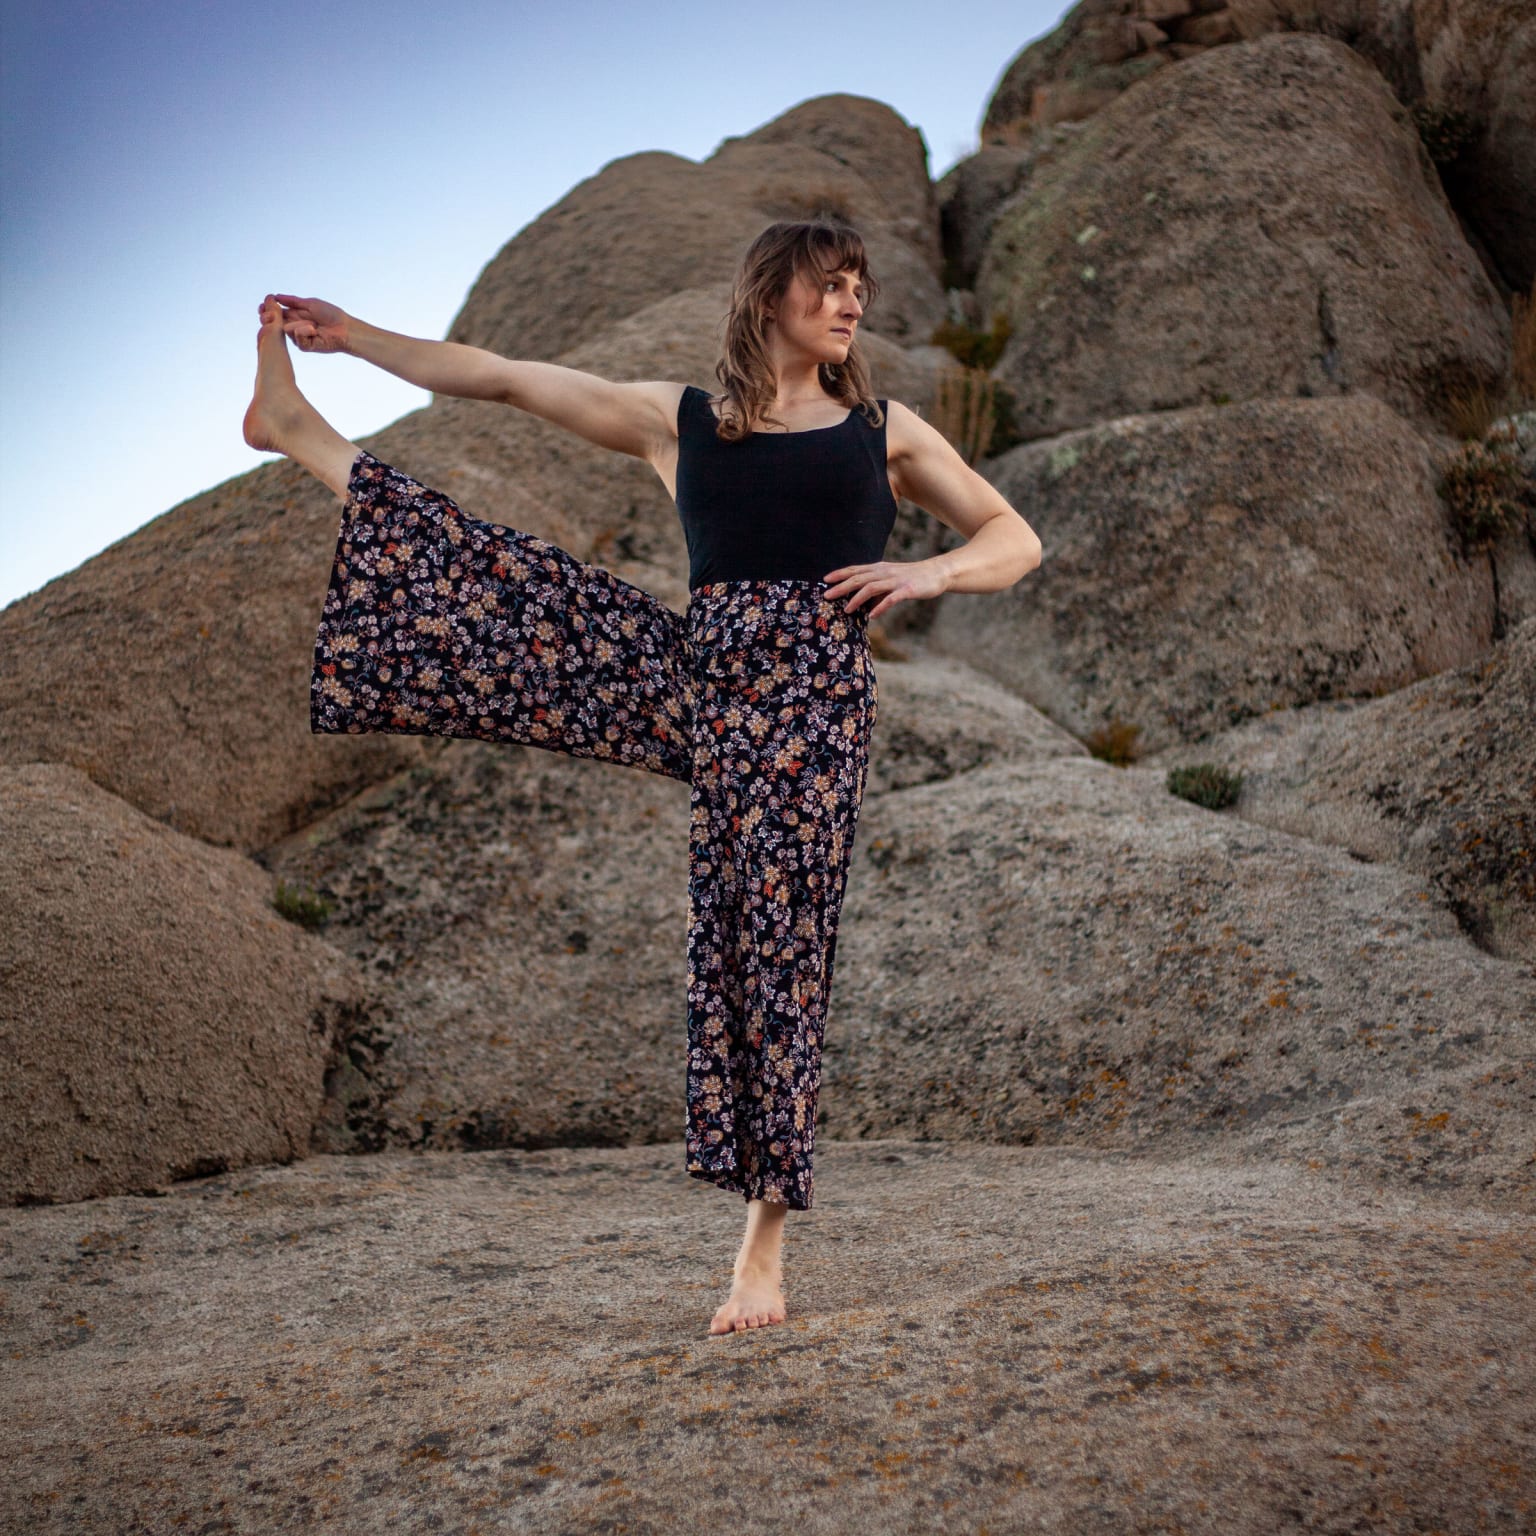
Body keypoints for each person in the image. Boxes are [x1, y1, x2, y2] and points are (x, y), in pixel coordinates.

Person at [243, 218, 1042, 1338]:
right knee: (527, 598)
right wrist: (354, 335)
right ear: (770, 297)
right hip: (700, 680)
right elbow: (505, 377)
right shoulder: (683, 422)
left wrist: (931, 572)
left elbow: (1015, 538)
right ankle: (298, 431)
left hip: (813, 715)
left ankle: (762, 1247)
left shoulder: (884, 431)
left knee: (777, 952)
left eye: (859, 287)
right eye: (829, 285)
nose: (852, 303)